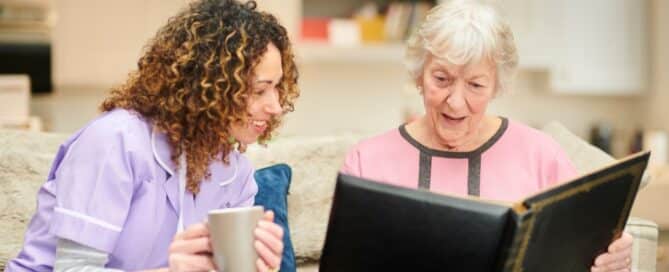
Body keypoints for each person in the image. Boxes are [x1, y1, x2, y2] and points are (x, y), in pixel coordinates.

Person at [340, 1, 633, 271]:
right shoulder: (366, 162)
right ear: (419, 74)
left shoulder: (541, 155)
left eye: (476, 85)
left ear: (496, 86)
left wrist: (613, 257)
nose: (455, 101)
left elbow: (583, 251)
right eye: (441, 79)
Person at [7, 0, 299, 271]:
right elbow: (73, 268)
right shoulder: (115, 141)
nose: (275, 106)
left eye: (278, 88)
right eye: (260, 90)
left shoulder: (235, 174)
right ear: (207, 86)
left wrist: (255, 267)